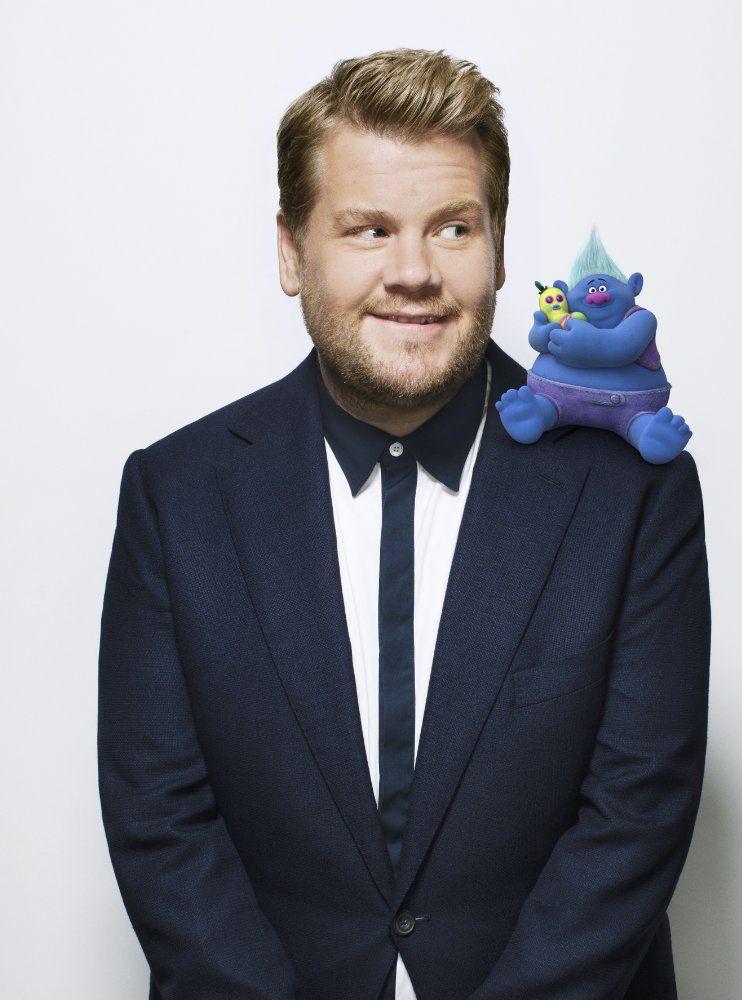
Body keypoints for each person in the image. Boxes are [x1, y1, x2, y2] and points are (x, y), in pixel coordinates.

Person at [97, 47, 711, 1000]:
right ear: (291, 251)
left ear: (498, 247)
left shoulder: (631, 493)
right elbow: (160, 823)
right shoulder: (175, 494)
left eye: (453, 227)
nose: (414, 272)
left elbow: (636, 813)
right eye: (368, 230)